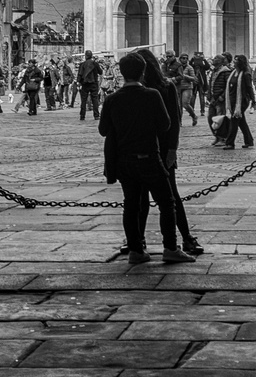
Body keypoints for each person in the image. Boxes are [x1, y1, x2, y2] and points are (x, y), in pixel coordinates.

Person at [98, 51, 195, 265]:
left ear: (121, 73)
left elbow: (104, 129)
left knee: (131, 205)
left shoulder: (112, 99)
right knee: (167, 203)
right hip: (150, 157)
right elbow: (166, 124)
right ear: (143, 72)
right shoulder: (152, 95)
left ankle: (136, 251)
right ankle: (170, 248)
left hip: (124, 160)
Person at [135, 48, 203, 256]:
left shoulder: (166, 87)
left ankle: (184, 238)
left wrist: (172, 150)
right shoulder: (141, 90)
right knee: (147, 198)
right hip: (151, 149)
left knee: (169, 196)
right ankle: (140, 240)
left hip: (160, 150)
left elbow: (174, 122)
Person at [213, 54, 255, 149]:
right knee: (241, 122)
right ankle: (249, 141)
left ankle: (230, 143)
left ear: (240, 62)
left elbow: (249, 88)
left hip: (241, 102)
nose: (234, 61)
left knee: (234, 122)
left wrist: (253, 100)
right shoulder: (233, 73)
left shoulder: (245, 74)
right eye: (234, 60)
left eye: (236, 60)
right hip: (232, 100)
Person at [77, 50, 102, 120]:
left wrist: (78, 82)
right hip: (93, 83)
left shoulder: (82, 64)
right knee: (95, 100)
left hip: (85, 84)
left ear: (86, 56)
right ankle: (96, 115)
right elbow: (100, 72)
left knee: (83, 100)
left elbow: (80, 74)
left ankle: (82, 115)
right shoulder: (95, 63)